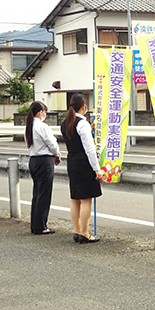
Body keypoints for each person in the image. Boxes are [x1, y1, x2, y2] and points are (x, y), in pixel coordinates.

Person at [61, 94, 103, 244]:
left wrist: (88, 128)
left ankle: (77, 231)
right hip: (84, 163)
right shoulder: (82, 123)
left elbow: (75, 138)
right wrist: (97, 169)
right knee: (86, 200)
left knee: (75, 199)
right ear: (83, 107)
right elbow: (89, 149)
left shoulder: (65, 122)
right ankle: (85, 233)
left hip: (72, 161)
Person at [25, 101, 61, 235]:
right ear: (40, 112)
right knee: (44, 194)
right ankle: (41, 226)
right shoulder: (42, 126)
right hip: (44, 160)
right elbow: (51, 143)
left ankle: (35, 224)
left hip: (33, 160)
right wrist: (57, 153)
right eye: (44, 111)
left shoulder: (28, 126)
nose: (45, 114)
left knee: (37, 194)